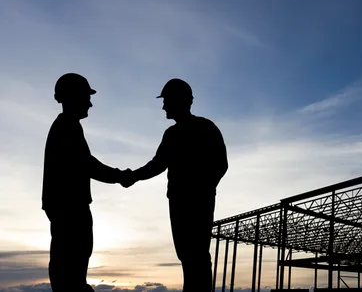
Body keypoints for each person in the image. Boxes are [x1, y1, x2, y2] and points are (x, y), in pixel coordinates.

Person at [121, 78, 228, 292]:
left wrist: (203, 189)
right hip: (179, 202)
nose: (163, 106)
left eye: (166, 100)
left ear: (179, 100)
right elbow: (157, 165)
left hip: (196, 202)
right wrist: (133, 176)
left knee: (196, 253)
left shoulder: (205, 128)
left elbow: (220, 164)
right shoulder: (172, 134)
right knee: (187, 255)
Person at [42, 73, 130, 292]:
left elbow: (85, 164)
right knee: (71, 263)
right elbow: (87, 165)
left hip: (66, 205)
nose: (90, 103)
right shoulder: (66, 127)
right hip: (70, 206)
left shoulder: (67, 126)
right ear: (73, 96)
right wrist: (121, 176)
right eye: (86, 96)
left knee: (70, 262)